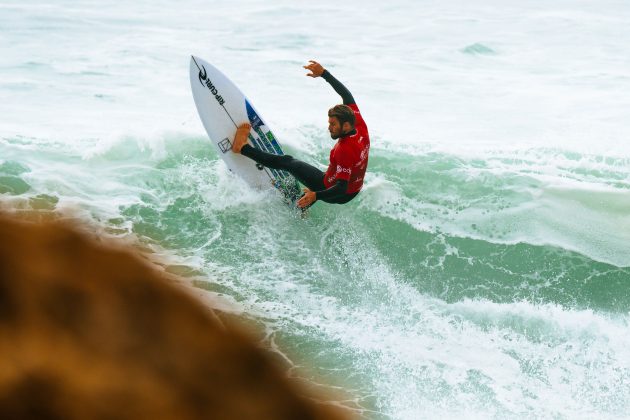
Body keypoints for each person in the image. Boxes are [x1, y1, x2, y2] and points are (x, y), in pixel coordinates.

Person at [231, 60, 370, 209]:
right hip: (353, 188)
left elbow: (341, 186)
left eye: (333, 124)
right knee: (325, 173)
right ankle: (301, 204)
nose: (329, 128)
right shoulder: (359, 125)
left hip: (339, 192)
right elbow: (346, 95)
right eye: (329, 123)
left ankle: (242, 148)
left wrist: (316, 195)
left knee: (288, 162)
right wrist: (324, 73)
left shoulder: (345, 149)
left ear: (347, 125)